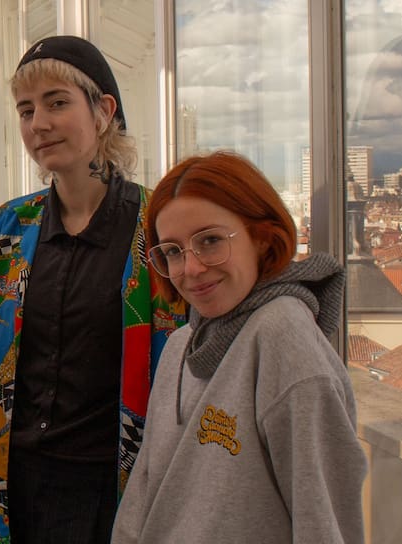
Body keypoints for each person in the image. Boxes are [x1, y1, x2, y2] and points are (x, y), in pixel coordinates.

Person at [0, 35, 186, 544]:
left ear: (103, 111)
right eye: (26, 110)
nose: (39, 124)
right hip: (9, 495)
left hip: (119, 492)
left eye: (58, 103)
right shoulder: (1, 234)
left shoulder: (162, 232)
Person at [111, 151, 366, 543]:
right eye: (173, 251)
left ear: (263, 237)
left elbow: (323, 520)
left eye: (210, 241)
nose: (191, 268)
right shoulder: (181, 345)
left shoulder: (283, 337)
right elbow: (143, 496)